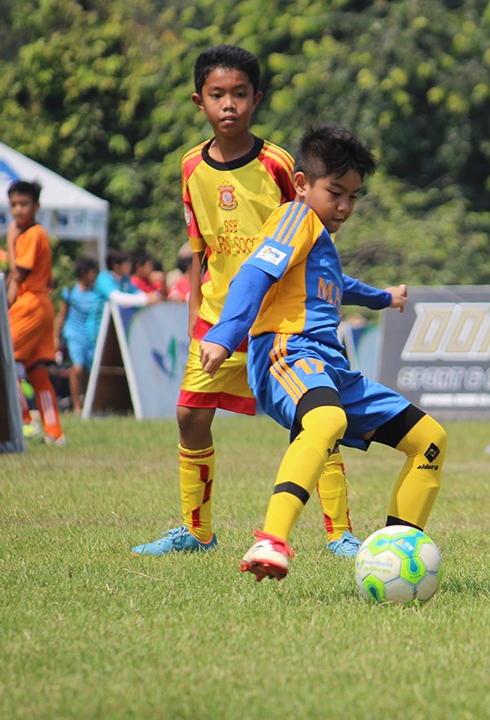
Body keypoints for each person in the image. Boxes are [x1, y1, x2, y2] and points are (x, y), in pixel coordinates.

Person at [131, 45, 370, 559]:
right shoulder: (191, 166)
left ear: (256, 99)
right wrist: (198, 316)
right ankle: (196, 532)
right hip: (217, 320)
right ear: (200, 101)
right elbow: (201, 249)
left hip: (280, 324)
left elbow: (312, 234)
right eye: (218, 95)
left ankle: (340, 533)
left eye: (240, 94)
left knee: (317, 416)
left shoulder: (279, 164)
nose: (229, 105)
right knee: (189, 416)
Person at [199, 123, 445, 583]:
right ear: (301, 185)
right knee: (326, 421)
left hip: (330, 367)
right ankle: (271, 540)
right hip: (288, 352)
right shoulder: (295, 218)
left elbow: (337, 288)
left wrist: (382, 297)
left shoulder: (319, 239)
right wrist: (224, 333)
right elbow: (255, 274)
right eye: (336, 193)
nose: (346, 207)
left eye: (354, 196)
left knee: (429, 441)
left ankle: (395, 552)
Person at [4, 180, 66, 445]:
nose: (18, 210)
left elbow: (19, 273)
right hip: (41, 305)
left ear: (36, 205)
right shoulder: (34, 233)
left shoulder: (31, 234)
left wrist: (10, 242)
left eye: (24, 204)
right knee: (37, 370)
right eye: (14, 204)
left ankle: (25, 421)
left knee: (3, 358)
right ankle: (54, 432)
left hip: (30, 304)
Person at [53, 256, 100, 414]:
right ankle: (76, 407)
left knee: (89, 372)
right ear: (84, 273)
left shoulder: (96, 294)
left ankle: (87, 403)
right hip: (74, 337)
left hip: (92, 338)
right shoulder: (71, 291)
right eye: (93, 272)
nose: (95, 275)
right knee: (77, 369)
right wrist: (55, 336)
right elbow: (62, 315)